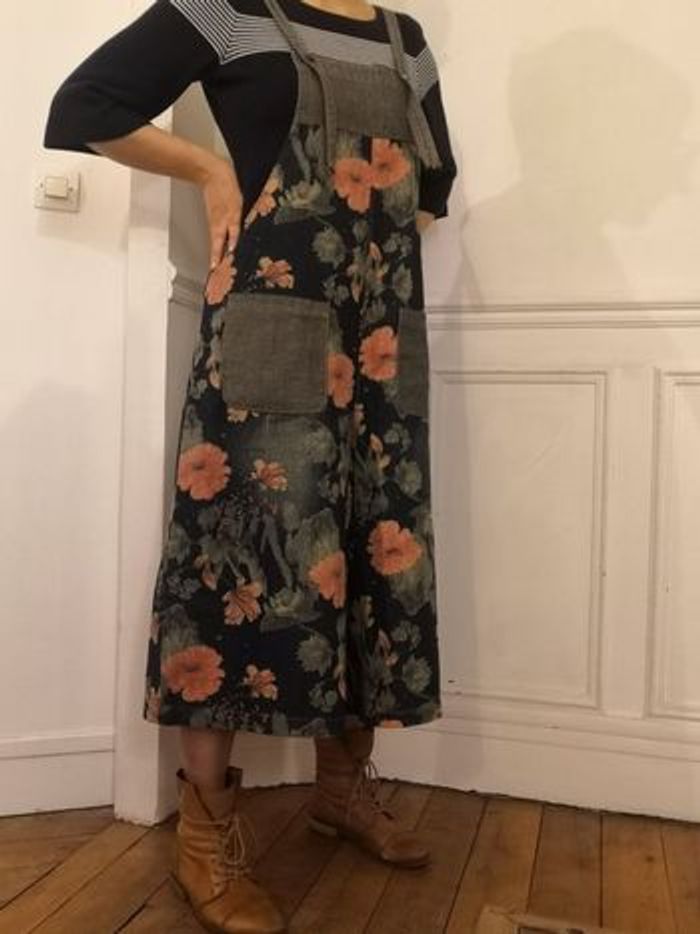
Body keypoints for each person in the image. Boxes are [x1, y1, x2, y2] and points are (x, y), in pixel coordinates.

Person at [43, 1, 458, 931]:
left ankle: (341, 791)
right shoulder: (229, 8)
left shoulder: (407, 41)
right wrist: (210, 169)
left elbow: (433, 187)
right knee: (237, 566)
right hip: (268, 336)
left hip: (380, 346)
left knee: (376, 558)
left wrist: (365, 269)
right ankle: (206, 834)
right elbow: (87, 103)